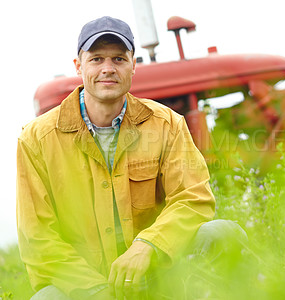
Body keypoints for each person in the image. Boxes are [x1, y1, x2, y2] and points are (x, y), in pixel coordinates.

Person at [16, 16, 235, 300]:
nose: (108, 69)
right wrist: (96, 290)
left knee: (223, 234)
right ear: (78, 66)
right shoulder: (36, 139)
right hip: (87, 287)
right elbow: (38, 238)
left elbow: (193, 198)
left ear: (134, 65)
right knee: (46, 299)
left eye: (119, 59)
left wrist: (148, 245)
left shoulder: (166, 124)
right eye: (96, 59)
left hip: (159, 269)